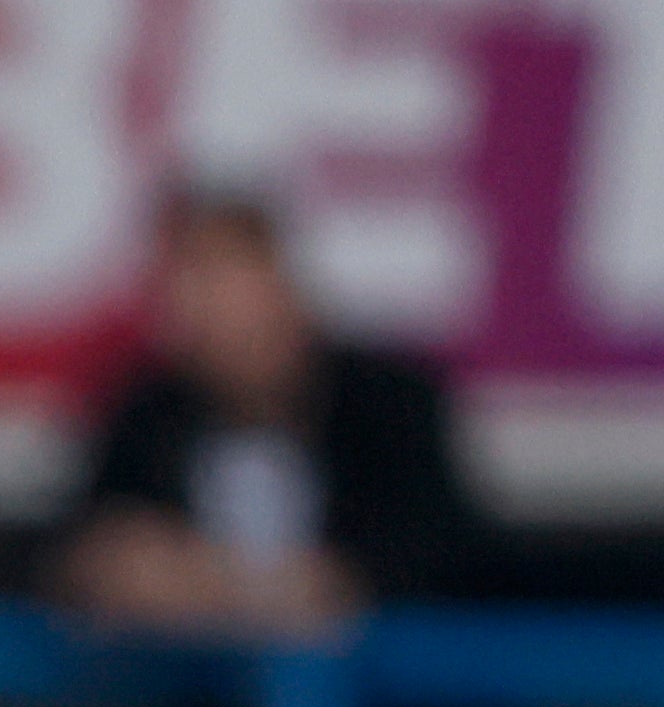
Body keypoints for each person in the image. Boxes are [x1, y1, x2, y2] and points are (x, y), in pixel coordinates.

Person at [56, 188, 490, 641]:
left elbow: (440, 552)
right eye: (198, 287)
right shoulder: (144, 411)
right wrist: (112, 568)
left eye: (235, 280)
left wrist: (324, 584)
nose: (220, 313)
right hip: (204, 703)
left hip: (389, 700)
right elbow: (81, 545)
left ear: (286, 289)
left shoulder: (392, 403)